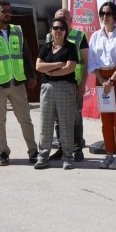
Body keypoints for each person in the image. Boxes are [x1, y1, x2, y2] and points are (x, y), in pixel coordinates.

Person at [0, 1, 38, 166]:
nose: (7, 14)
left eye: (9, 12)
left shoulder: (18, 31)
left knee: (25, 119)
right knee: (0, 121)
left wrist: (31, 75)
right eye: (4, 12)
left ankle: (33, 152)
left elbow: (26, 55)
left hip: (17, 83)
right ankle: (3, 153)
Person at [89, 0, 116, 169]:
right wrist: (102, 80)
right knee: (106, 120)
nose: (105, 17)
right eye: (102, 14)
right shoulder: (95, 36)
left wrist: (111, 80)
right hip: (101, 78)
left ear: (114, 16)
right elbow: (92, 61)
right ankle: (108, 154)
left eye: (108, 14)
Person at [34, 17, 79, 170]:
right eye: (55, 28)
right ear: (51, 30)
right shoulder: (46, 47)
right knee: (45, 123)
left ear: (66, 31)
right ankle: (43, 156)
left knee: (65, 123)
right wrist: (58, 65)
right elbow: (38, 66)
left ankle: (67, 157)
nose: (58, 31)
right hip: (47, 88)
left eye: (61, 28)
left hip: (65, 88)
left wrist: (50, 71)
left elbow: (70, 68)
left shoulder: (70, 48)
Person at [48, 6, 88, 162]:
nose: (61, 21)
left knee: (75, 118)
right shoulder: (49, 36)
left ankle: (77, 149)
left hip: (74, 84)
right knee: (59, 118)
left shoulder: (79, 36)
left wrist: (83, 84)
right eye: (58, 18)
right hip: (56, 84)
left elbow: (86, 62)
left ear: (71, 21)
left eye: (65, 18)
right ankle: (61, 148)